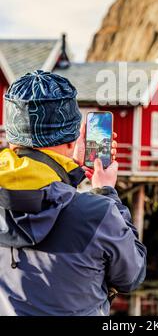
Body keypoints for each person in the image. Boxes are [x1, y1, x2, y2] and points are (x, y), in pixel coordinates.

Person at [0, 70, 146, 316]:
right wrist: (106, 191)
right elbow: (132, 274)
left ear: (11, 136)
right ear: (72, 138)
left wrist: (67, 168)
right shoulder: (98, 213)